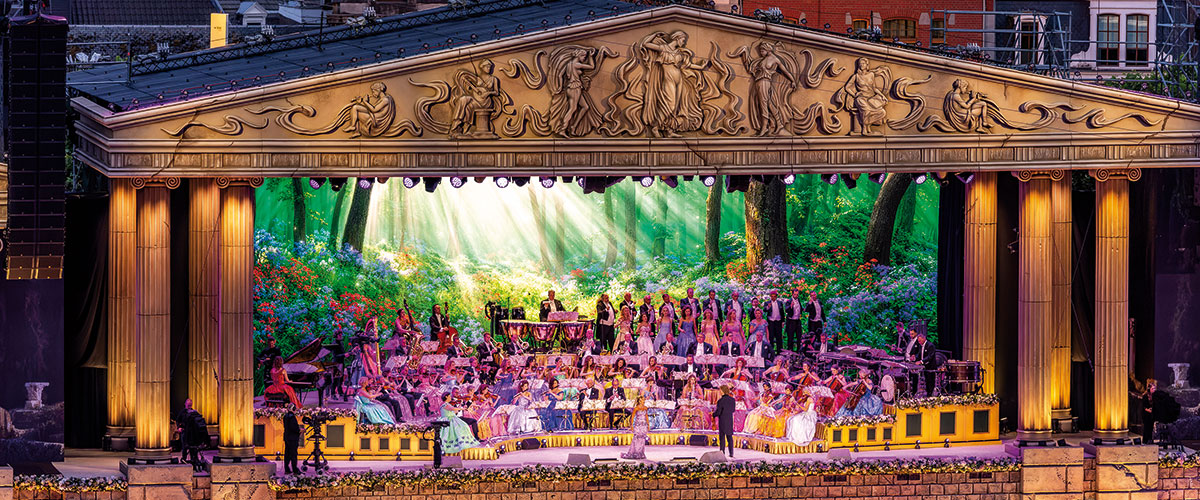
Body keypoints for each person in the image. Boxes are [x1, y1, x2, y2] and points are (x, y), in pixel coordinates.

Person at [174, 398, 209, 471]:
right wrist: (179, 427)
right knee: (184, 446)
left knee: (193, 447)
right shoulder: (182, 412)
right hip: (185, 431)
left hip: (192, 433)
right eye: (188, 405)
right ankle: (184, 458)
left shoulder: (194, 413)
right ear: (185, 404)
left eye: (190, 405)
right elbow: (178, 420)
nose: (189, 406)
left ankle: (194, 459)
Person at [713, 385, 737, 457]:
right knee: (729, 437)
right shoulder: (732, 400)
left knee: (722, 438)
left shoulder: (720, 401)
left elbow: (718, 412)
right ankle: (731, 453)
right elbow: (733, 410)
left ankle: (722, 453)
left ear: (722, 391)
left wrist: (713, 415)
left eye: (720, 390)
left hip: (723, 420)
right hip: (729, 420)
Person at [281, 409, 302, 475]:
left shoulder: (286, 416)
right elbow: (294, 428)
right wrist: (300, 430)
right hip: (292, 438)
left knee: (287, 454)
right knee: (293, 454)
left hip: (287, 437)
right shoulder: (292, 417)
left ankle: (287, 469)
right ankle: (295, 470)